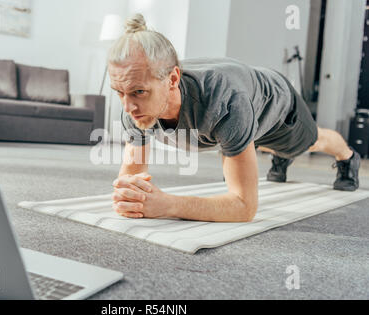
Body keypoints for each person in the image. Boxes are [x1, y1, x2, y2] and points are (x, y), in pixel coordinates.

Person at [109, 13, 361, 222]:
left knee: (313, 141)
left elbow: (244, 206)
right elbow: (131, 180)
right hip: (243, 109)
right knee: (242, 143)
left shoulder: (225, 103)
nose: (128, 106)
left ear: (172, 79)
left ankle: (347, 158)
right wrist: (130, 195)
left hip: (278, 107)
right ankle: (279, 155)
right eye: (119, 92)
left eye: (138, 92)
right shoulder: (135, 104)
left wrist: (167, 205)